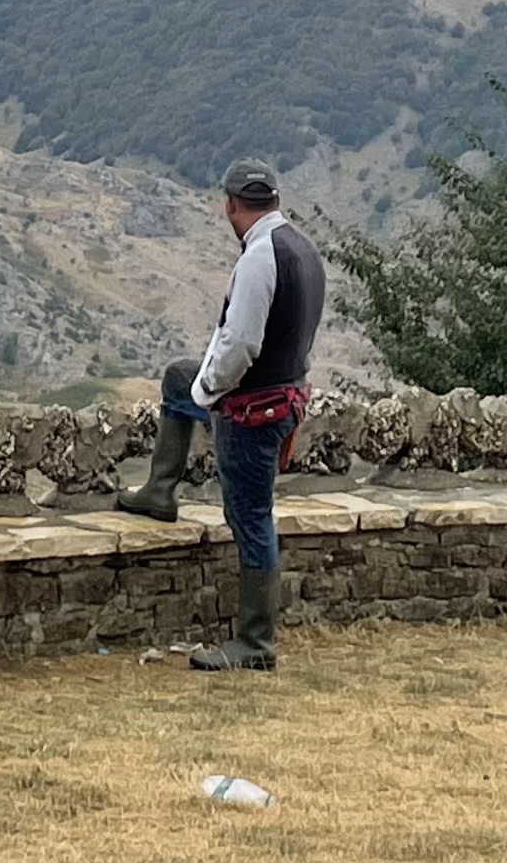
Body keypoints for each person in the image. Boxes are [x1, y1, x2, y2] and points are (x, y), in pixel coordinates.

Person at [83, 159, 325, 672]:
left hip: (251, 409)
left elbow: (240, 344)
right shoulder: (303, 248)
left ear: (230, 205)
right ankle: (159, 492)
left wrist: (211, 390)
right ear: (276, 201)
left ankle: (255, 644)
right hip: (285, 394)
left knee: (251, 518)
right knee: (178, 378)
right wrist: (197, 384)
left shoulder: (259, 257)